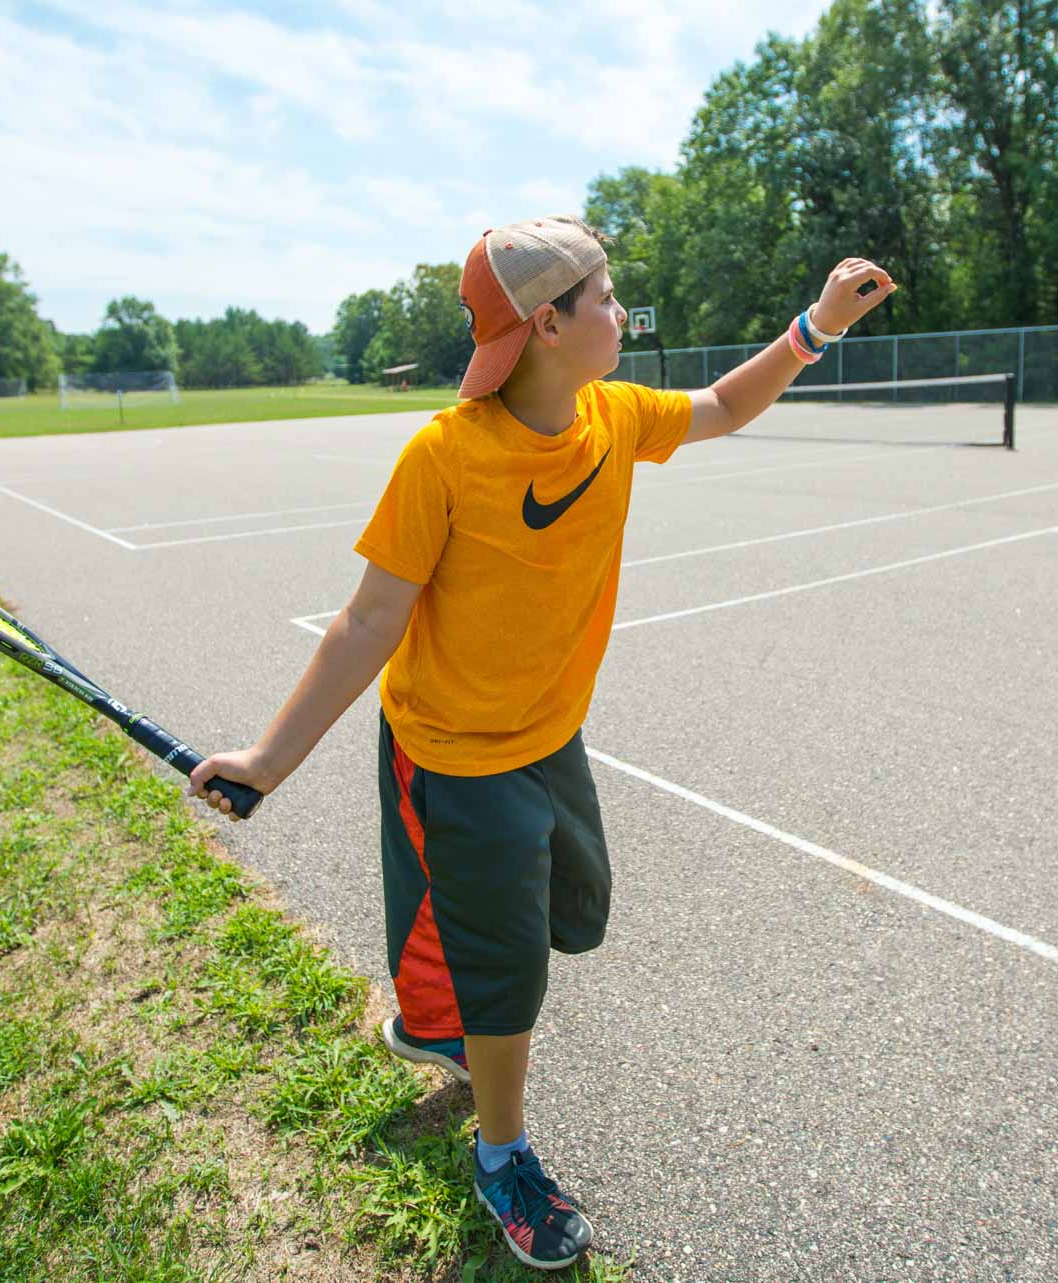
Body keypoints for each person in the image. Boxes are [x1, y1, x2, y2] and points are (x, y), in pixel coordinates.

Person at [190, 215, 896, 1269]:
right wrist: (266, 760)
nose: (623, 312)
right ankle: (501, 1151)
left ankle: (436, 1017)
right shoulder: (446, 454)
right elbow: (367, 622)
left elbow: (720, 405)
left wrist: (814, 326)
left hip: (549, 739)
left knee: (577, 912)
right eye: (607, 297)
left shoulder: (611, 414)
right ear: (549, 320)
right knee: (512, 968)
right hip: (457, 753)